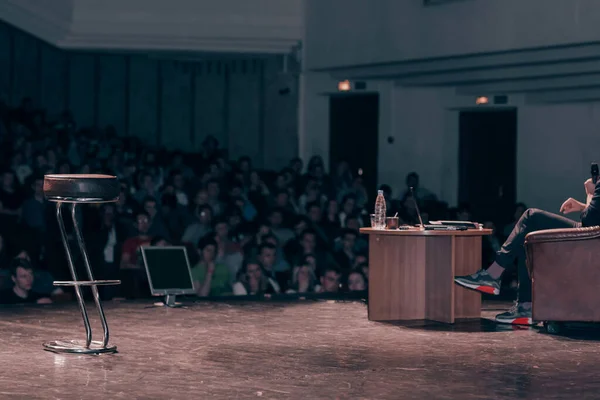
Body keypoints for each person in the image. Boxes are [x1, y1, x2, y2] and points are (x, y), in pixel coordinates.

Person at [454, 178, 600, 325]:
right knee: (528, 237)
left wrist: (590, 194)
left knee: (531, 216)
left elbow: (590, 222)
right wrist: (583, 206)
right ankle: (525, 306)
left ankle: (493, 275)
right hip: (592, 236)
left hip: (590, 240)